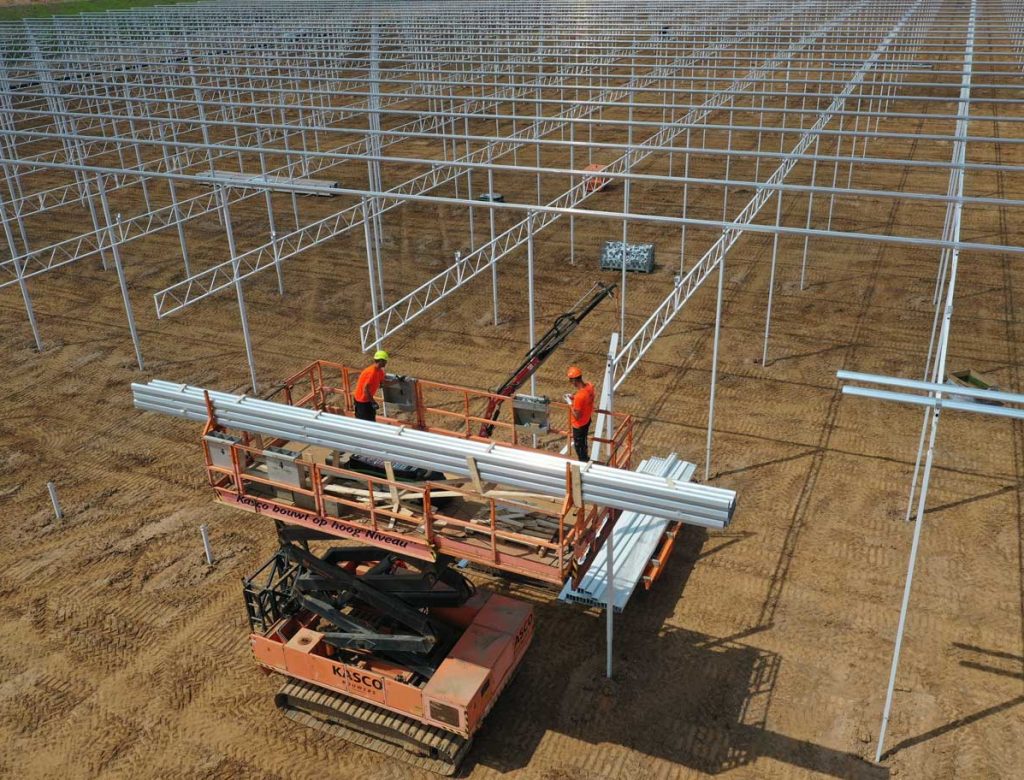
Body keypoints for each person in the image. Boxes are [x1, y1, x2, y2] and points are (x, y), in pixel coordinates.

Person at [565, 365, 595, 462]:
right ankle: (585, 457)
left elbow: (577, 416)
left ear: (574, 381)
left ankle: (583, 462)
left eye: (570, 380)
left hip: (579, 425)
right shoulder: (590, 387)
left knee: (579, 447)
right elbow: (585, 400)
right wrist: (573, 397)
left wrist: (570, 404)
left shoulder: (579, 397)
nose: (571, 383)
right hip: (587, 420)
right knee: (584, 442)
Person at [353, 350, 390, 422]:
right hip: (362, 401)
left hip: (368, 399)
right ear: (380, 361)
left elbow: (382, 383)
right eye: (385, 361)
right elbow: (365, 390)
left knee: (371, 418)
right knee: (364, 421)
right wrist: (373, 402)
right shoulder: (371, 372)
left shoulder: (380, 371)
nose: (386, 362)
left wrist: (398, 382)